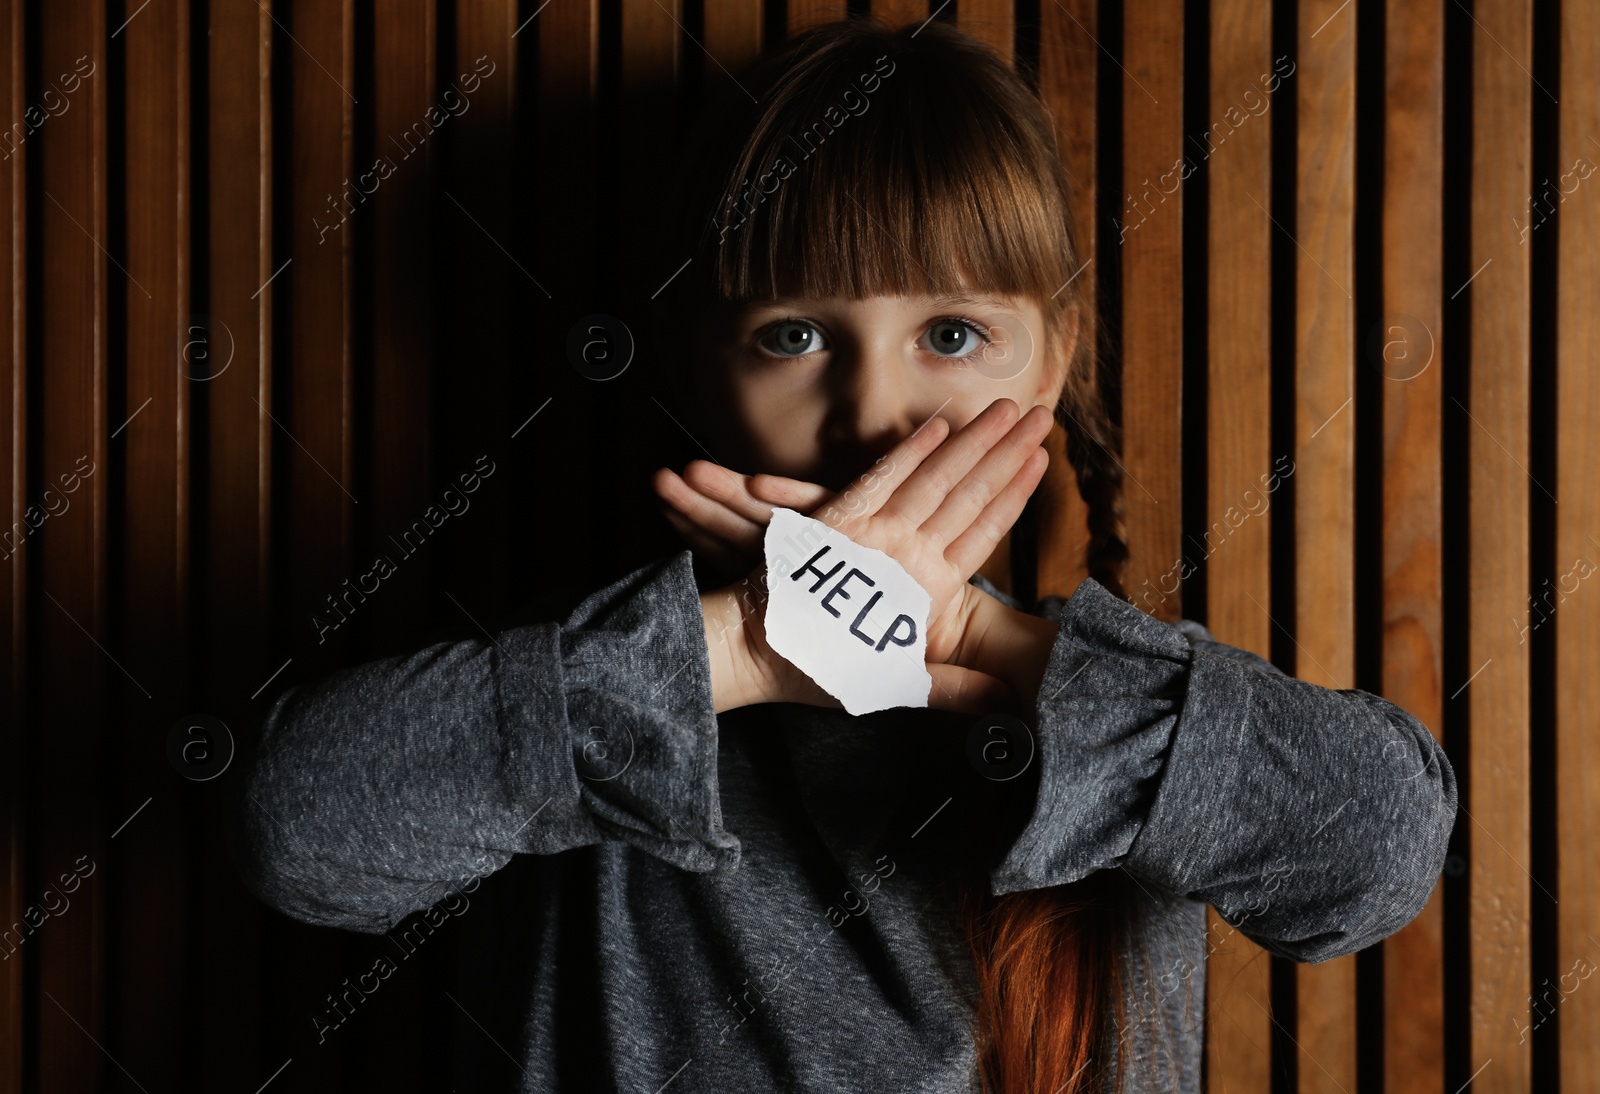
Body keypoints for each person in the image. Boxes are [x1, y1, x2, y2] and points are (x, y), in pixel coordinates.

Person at [229, 19, 1456, 1094]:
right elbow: (296, 831)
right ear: (688, 364)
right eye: (798, 332)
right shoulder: (596, 674)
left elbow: (1380, 849)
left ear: (1055, 358)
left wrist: (978, 640)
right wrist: (751, 643)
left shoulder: (1124, 705)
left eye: (954, 331)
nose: (877, 410)